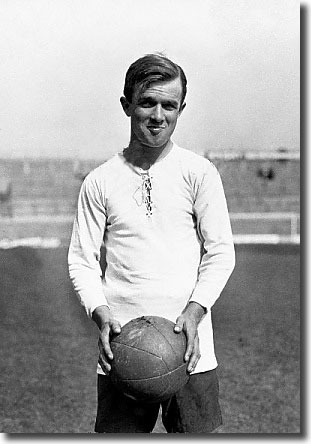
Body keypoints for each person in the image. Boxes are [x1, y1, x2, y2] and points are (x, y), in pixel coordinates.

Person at [68, 53, 235, 433]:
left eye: (169, 105)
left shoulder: (199, 173)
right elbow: (81, 260)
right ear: (127, 105)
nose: (158, 115)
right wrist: (101, 314)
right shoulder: (100, 181)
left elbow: (221, 252)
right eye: (147, 102)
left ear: (181, 109)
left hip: (191, 350)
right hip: (122, 351)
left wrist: (194, 313)